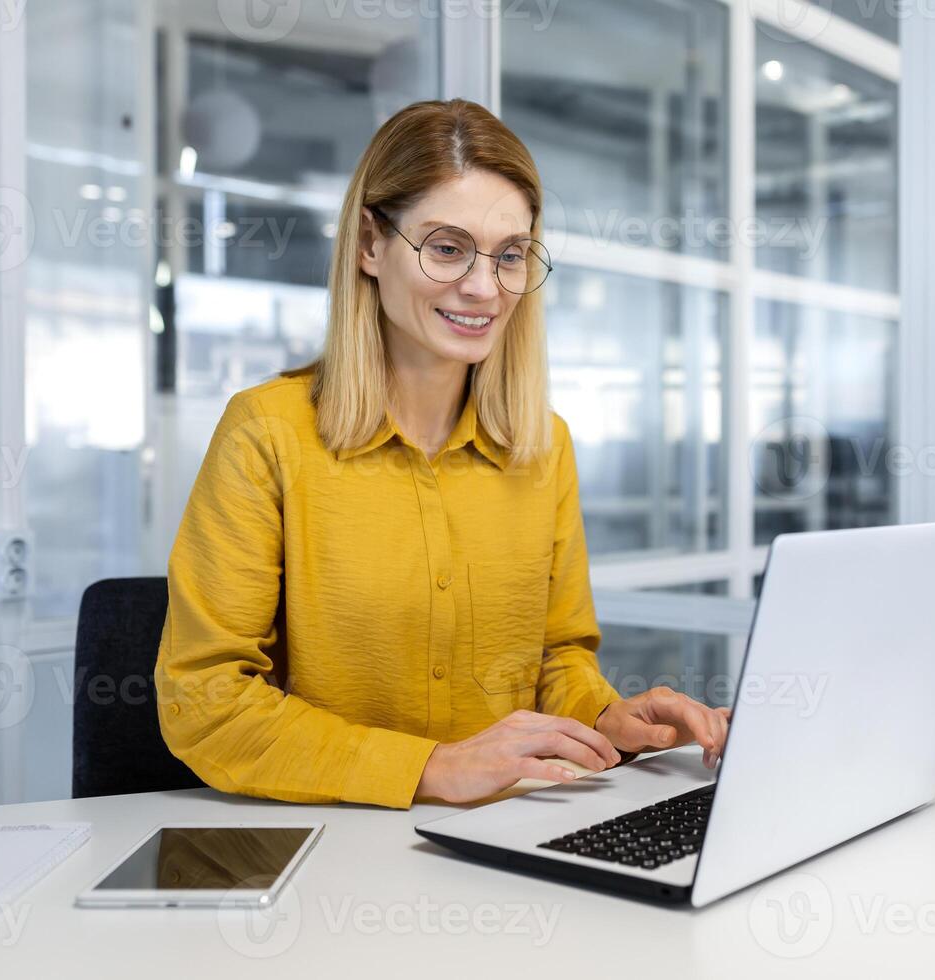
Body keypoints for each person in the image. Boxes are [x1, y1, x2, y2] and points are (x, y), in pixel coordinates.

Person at [155, 98, 729, 809]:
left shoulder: (543, 446)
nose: (485, 288)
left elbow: (558, 661)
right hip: (338, 849)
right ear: (370, 243)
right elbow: (206, 702)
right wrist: (427, 768)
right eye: (448, 247)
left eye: (510, 255)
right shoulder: (267, 434)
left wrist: (605, 718)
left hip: (515, 830)